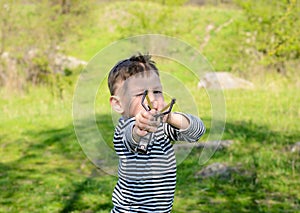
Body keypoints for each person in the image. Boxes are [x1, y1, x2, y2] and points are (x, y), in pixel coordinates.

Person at [108, 53, 206, 213]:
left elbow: (197, 131)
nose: (152, 99)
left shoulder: (163, 127)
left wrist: (170, 117)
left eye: (157, 91)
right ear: (118, 104)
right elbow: (131, 138)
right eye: (141, 94)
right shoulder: (124, 128)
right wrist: (139, 128)